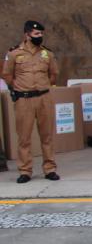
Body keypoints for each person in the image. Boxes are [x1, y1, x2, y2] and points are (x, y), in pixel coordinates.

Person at [2, 20, 60, 183]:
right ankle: (25, 171)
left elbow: (53, 74)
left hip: (44, 97)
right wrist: (19, 87)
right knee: (24, 137)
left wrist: (43, 86)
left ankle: (50, 169)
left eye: (41, 34)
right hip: (24, 99)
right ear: (27, 34)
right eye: (36, 34)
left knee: (47, 135)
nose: (39, 36)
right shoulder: (14, 53)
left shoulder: (47, 53)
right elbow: (7, 75)